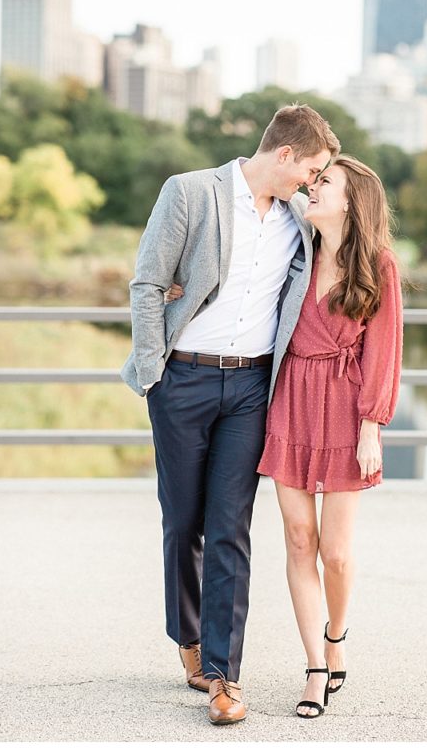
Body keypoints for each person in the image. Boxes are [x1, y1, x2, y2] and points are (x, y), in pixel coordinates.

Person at [121, 104, 338, 724]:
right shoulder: (191, 192)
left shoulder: (301, 220)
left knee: (230, 529)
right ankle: (187, 638)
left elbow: (341, 247)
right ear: (285, 155)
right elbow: (147, 282)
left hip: (250, 391)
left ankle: (223, 676)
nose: (312, 183)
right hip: (182, 378)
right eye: (312, 170)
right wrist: (153, 373)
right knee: (182, 521)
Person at [254, 155, 403, 719]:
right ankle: (315, 667)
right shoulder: (296, 254)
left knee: (336, 553)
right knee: (299, 538)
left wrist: (373, 425)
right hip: (290, 401)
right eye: (313, 182)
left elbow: (385, 350)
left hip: (345, 409)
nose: (312, 189)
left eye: (325, 183)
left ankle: (336, 635)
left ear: (351, 201)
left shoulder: (380, 266)